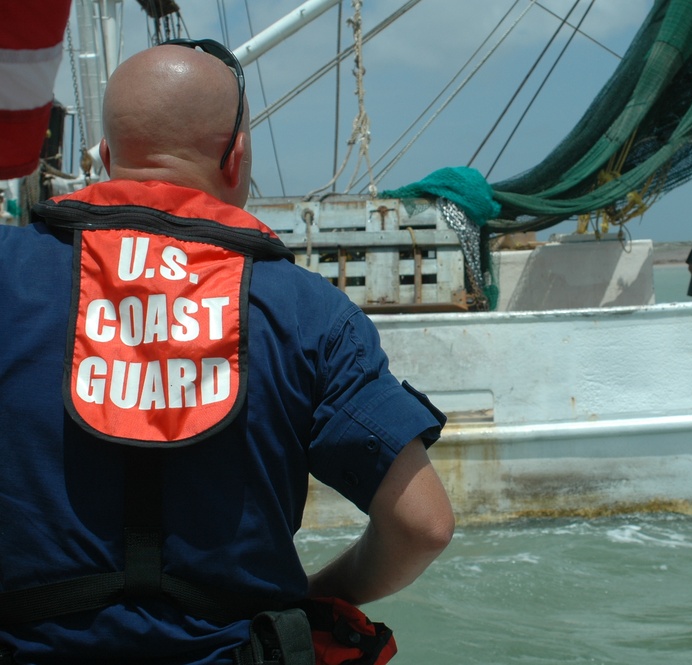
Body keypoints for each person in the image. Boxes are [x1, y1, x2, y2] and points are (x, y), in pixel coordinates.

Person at [0, 40, 454, 663]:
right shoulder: (308, 312)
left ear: (106, 158)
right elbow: (423, 525)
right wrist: (321, 592)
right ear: (235, 158)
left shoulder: (7, 275)